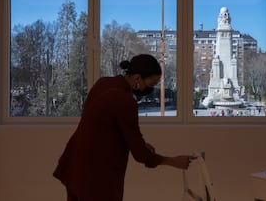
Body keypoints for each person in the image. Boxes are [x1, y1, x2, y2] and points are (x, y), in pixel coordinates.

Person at [53, 54, 194, 201]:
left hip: (75, 164)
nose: (151, 89)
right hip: (96, 174)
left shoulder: (103, 83)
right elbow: (140, 154)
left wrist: (140, 144)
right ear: (137, 78)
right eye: (151, 84)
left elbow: (101, 125)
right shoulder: (125, 101)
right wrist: (173, 161)